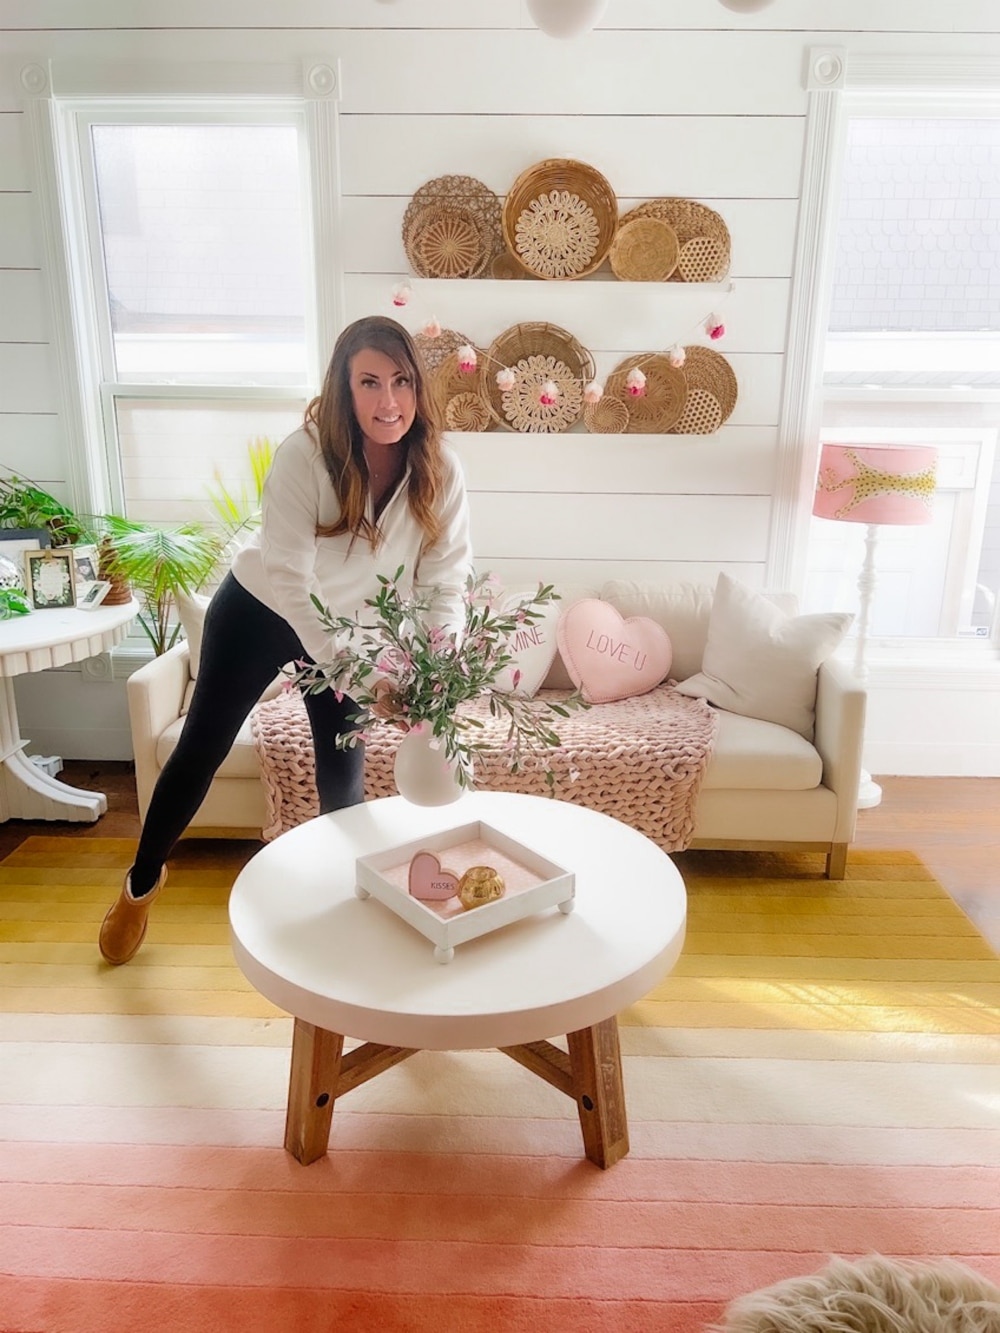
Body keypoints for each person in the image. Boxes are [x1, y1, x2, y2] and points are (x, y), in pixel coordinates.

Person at [99, 315, 473, 965]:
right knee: (199, 750)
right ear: (343, 389)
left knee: (343, 773)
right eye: (369, 382)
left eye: (402, 381)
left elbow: (446, 583)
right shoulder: (303, 455)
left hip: (345, 633)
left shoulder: (440, 471)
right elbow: (292, 584)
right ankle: (139, 884)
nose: (389, 401)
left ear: (419, 387)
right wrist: (359, 675)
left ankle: (346, 911)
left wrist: (433, 666)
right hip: (261, 611)